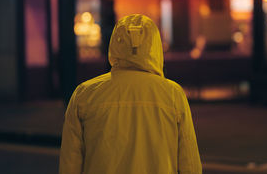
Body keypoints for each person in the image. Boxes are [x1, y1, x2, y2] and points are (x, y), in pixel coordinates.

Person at [59, 14, 202, 174]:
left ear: (115, 44)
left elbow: (70, 164)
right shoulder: (173, 94)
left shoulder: (84, 94)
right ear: (155, 46)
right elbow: (190, 164)